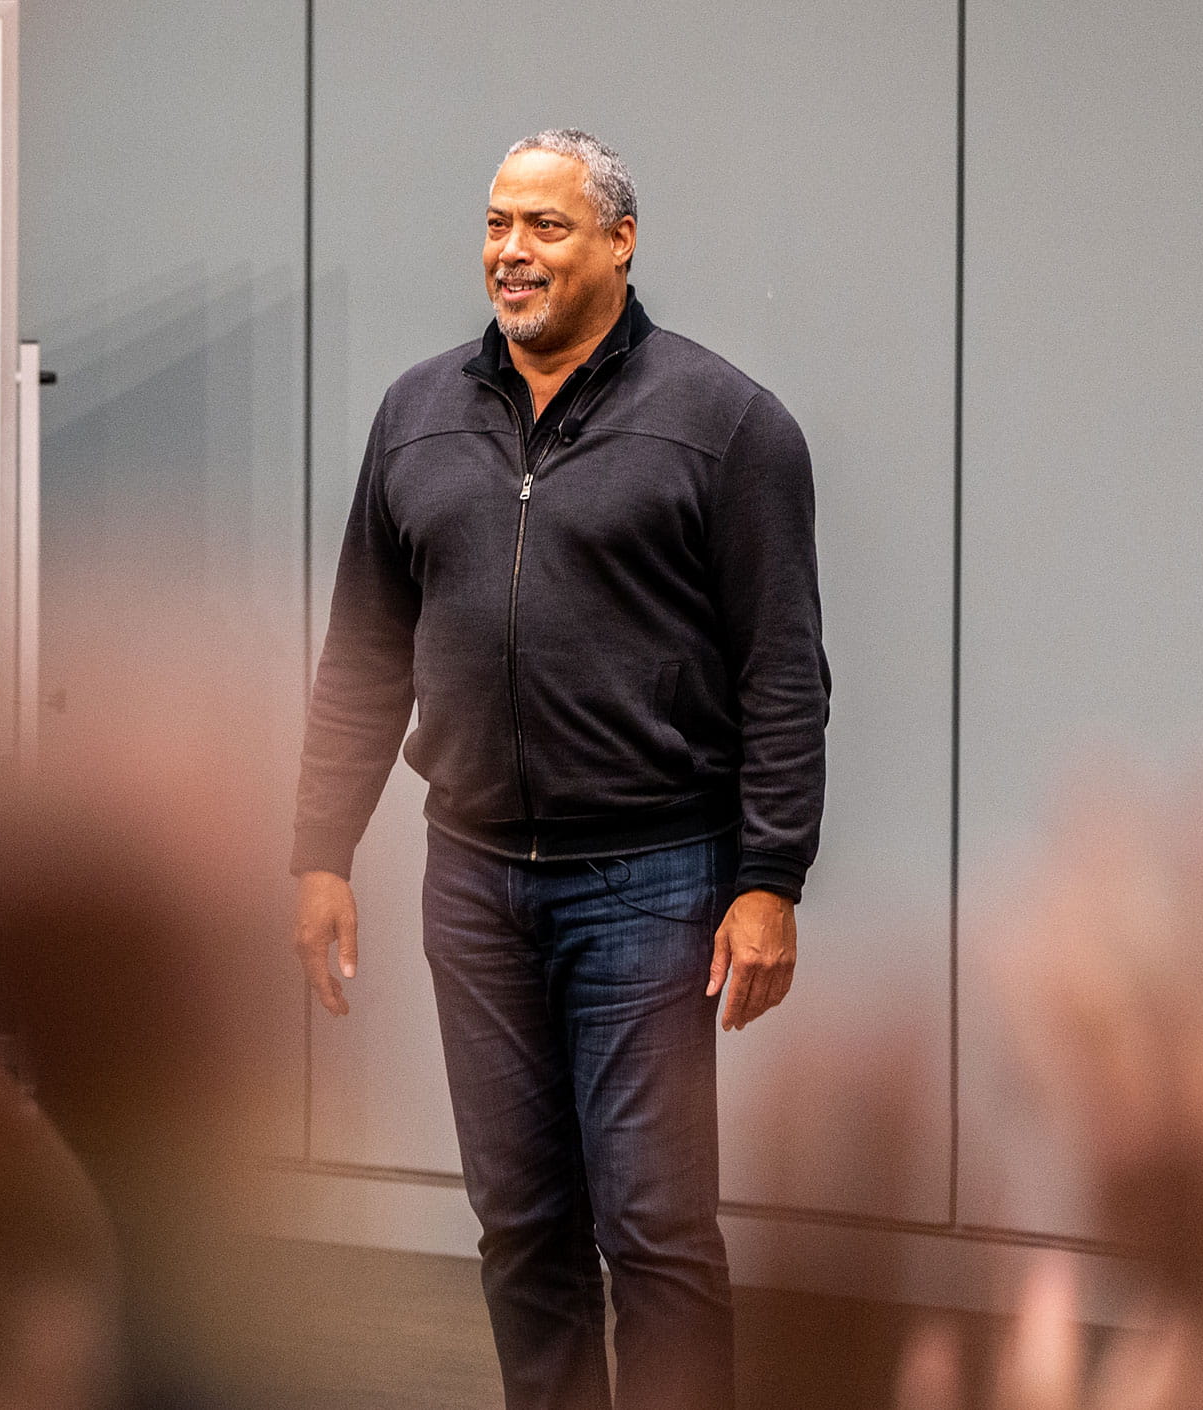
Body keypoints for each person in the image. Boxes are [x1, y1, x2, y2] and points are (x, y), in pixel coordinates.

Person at [290, 128, 831, 1410]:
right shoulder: (416, 415)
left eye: (545, 225)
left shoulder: (726, 424)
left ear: (619, 242)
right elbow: (362, 653)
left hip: (650, 881)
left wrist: (768, 879)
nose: (511, 253)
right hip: (471, 880)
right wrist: (318, 850)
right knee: (520, 1227)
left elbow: (782, 672)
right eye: (496, 224)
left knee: (653, 1230)